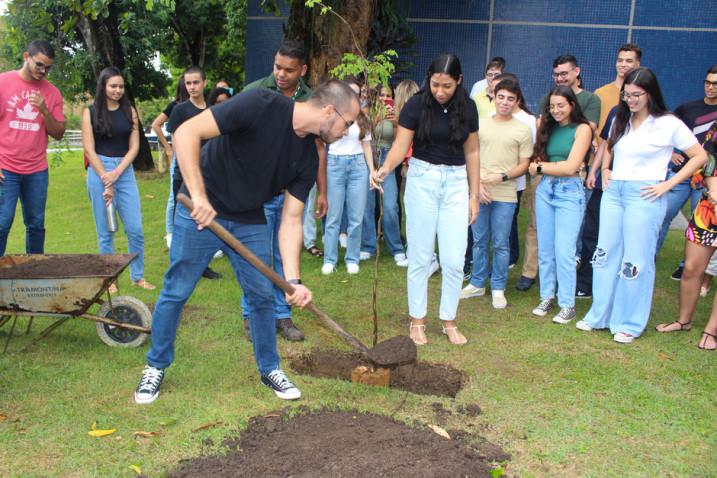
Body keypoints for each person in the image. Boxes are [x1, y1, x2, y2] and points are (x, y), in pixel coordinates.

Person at [133, 80, 360, 404]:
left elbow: (292, 221)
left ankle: (270, 369)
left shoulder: (308, 157)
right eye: (348, 123)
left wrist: (292, 282)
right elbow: (185, 134)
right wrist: (198, 196)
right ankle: (155, 366)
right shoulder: (260, 104)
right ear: (329, 110)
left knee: (261, 296)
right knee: (177, 289)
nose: (346, 132)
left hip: (248, 217)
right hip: (200, 209)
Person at [575, 67, 707, 343]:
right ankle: (600, 314)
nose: (631, 100)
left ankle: (629, 322)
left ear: (650, 94)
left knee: (635, 261)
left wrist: (668, 184)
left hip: (645, 194)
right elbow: (609, 145)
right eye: (626, 95)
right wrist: (607, 169)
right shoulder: (621, 118)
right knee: (605, 254)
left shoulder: (668, 123)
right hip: (615, 193)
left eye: (637, 95)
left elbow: (699, 156)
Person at [374, 54, 480, 346]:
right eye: (435, 84)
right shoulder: (415, 105)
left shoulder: (468, 107)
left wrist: (474, 195)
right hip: (422, 180)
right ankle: (417, 319)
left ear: (458, 81)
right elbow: (399, 146)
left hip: (457, 183)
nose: (440, 91)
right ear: (429, 79)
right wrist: (384, 170)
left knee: (453, 258)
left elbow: (472, 152)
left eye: (447, 85)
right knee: (420, 256)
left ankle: (448, 319)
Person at [241, 39, 325, 342]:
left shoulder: (311, 100)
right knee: (257, 257)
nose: (281, 74)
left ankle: (282, 315)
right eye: (278, 67)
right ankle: (252, 315)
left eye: (289, 70)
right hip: (257, 193)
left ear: (302, 69)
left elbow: (318, 148)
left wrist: (323, 191)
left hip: (292, 193)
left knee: (284, 253)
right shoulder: (255, 92)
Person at [517, 54, 601, 292]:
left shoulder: (590, 102)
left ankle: (565, 295)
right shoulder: (549, 100)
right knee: (538, 229)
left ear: (577, 72)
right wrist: (540, 166)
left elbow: (572, 161)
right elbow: (542, 133)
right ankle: (533, 277)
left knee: (565, 243)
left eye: (564, 73)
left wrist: (541, 167)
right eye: (556, 75)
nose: (560, 78)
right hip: (545, 183)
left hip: (569, 181)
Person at [575, 45, 641, 298]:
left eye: (629, 61)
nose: (623, 65)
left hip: (634, 186)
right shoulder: (615, 110)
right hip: (606, 182)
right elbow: (605, 143)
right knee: (592, 231)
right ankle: (587, 283)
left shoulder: (656, 117)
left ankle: (621, 285)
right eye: (620, 60)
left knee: (626, 237)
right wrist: (594, 171)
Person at [461, 76, 532, 309]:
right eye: (501, 97)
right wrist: (478, 186)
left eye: (510, 99)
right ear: (494, 97)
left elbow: (524, 165)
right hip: (479, 191)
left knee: (501, 243)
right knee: (479, 241)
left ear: (516, 101)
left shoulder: (522, 129)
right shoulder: (480, 123)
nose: (504, 102)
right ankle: (478, 283)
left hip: (505, 194)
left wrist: (501, 177)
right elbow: (470, 155)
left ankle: (498, 287)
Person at [81, 66, 155, 291]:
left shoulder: (130, 111)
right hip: (98, 170)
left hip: (124, 172)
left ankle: (138, 276)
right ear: (103, 86)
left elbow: (134, 147)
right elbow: (88, 148)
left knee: (135, 229)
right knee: (106, 232)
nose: (117, 90)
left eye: (121, 86)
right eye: (113, 86)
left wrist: (116, 173)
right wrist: (105, 176)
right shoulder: (90, 112)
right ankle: (108, 279)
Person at [528, 86, 592, 323]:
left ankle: (567, 304)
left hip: (569, 191)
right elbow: (542, 158)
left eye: (561, 105)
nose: (556, 111)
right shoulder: (549, 127)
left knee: (564, 250)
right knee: (545, 248)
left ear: (572, 105)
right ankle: (547, 296)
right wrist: (541, 167)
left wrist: (540, 168)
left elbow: (570, 166)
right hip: (546, 189)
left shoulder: (583, 129)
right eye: (552, 106)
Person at [655, 120, 717, 350]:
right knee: (691, 267)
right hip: (709, 207)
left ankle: (712, 330)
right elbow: (707, 160)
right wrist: (714, 191)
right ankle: (683, 321)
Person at [0, 40, 65, 255]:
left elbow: (58, 133)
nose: (43, 71)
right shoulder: (3, 83)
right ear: (26, 57)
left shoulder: (52, 93)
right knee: (2, 221)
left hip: (36, 169)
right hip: (5, 167)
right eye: (39, 65)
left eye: (48, 67)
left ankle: (34, 275)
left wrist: (45, 111)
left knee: (36, 224)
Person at [656, 65, 717, 279]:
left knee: (698, 224)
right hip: (682, 175)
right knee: (662, 215)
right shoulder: (688, 108)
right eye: (707, 83)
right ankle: (648, 257)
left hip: (707, 180)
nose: (710, 87)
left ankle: (687, 266)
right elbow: (663, 127)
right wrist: (671, 153)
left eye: (715, 84)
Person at [167, 66, 222, 281]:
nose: (192, 87)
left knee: (204, 220)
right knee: (183, 222)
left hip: (209, 174)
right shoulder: (180, 110)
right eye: (188, 83)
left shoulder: (212, 110)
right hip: (184, 174)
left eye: (196, 83)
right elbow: (177, 144)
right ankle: (178, 266)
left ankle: (202, 266)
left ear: (204, 83)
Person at [323, 79, 377, 275]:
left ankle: (352, 258)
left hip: (358, 166)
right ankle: (330, 259)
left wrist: (372, 171)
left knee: (356, 216)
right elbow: (322, 140)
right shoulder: (332, 113)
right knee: (334, 216)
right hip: (335, 163)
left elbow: (366, 145)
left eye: (357, 93)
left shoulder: (362, 117)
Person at [360, 83, 408, 266]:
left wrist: (395, 122)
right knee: (367, 205)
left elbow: (400, 141)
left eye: (388, 96)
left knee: (390, 206)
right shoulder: (367, 109)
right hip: (369, 156)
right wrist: (377, 118)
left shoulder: (396, 112)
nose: (384, 99)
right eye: (381, 95)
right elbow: (363, 134)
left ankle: (396, 247)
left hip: (388, 157)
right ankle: (368, 246)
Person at [152, 76, 188, 248]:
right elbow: (156, 125)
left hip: (195, 158)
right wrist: (168, 147)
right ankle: (170, 233)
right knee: (174, 199)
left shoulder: (200, 107)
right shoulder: (175, 106)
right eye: (188, 84)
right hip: (178, 158)